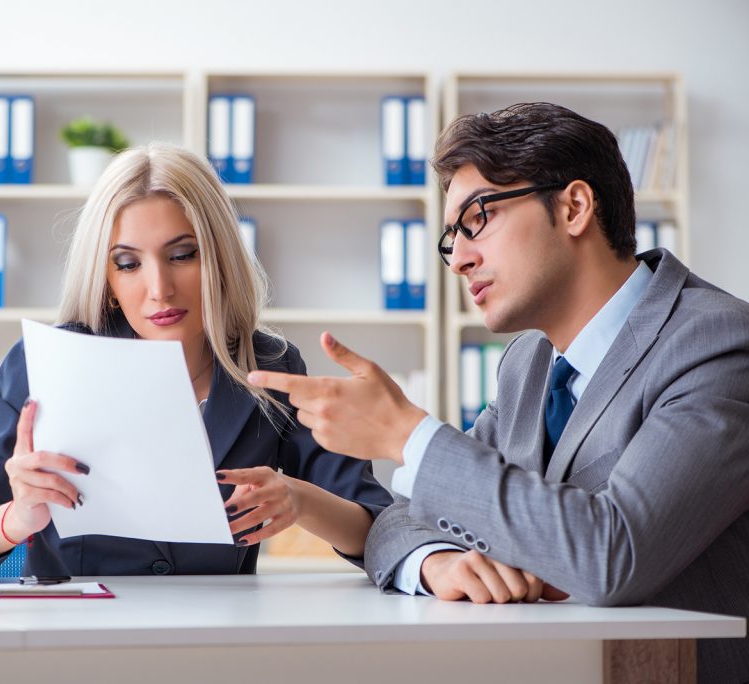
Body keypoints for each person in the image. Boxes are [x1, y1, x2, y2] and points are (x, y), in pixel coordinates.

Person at [248, 103, 749, 681]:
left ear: (574, 207)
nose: (459, 258)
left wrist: (407, 435)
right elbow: (401, 521)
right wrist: (434, 560)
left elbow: (612, 555)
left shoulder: (717, 345)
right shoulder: (528, 364)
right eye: (451, 238)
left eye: (477, 218)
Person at [0, 143, 391, 580]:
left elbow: (380, 530)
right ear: (105, 276)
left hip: (210, 638)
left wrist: (302, 500)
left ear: (219, 258)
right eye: (128, 264)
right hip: (74, 639)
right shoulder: (46, 365)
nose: (159, 288)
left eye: (182, 255)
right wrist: (15, 519)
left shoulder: (270, 366)